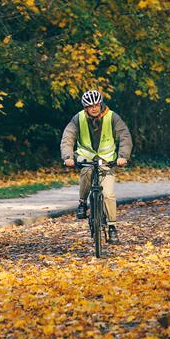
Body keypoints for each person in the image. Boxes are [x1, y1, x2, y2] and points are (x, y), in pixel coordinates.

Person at [60, 90, 133, 243]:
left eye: (96, 105)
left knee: (108, 195)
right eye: (90, 106)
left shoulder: (112, 117)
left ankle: (112, 227)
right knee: (86, 171)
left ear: (101, 104)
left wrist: (123, 156)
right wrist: (68, 157)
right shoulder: (78, 119)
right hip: (85, 156)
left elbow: (125, 136)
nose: (94, 108)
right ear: (85, 108)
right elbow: (68, 138)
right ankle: (82, 203)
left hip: (107, 159)